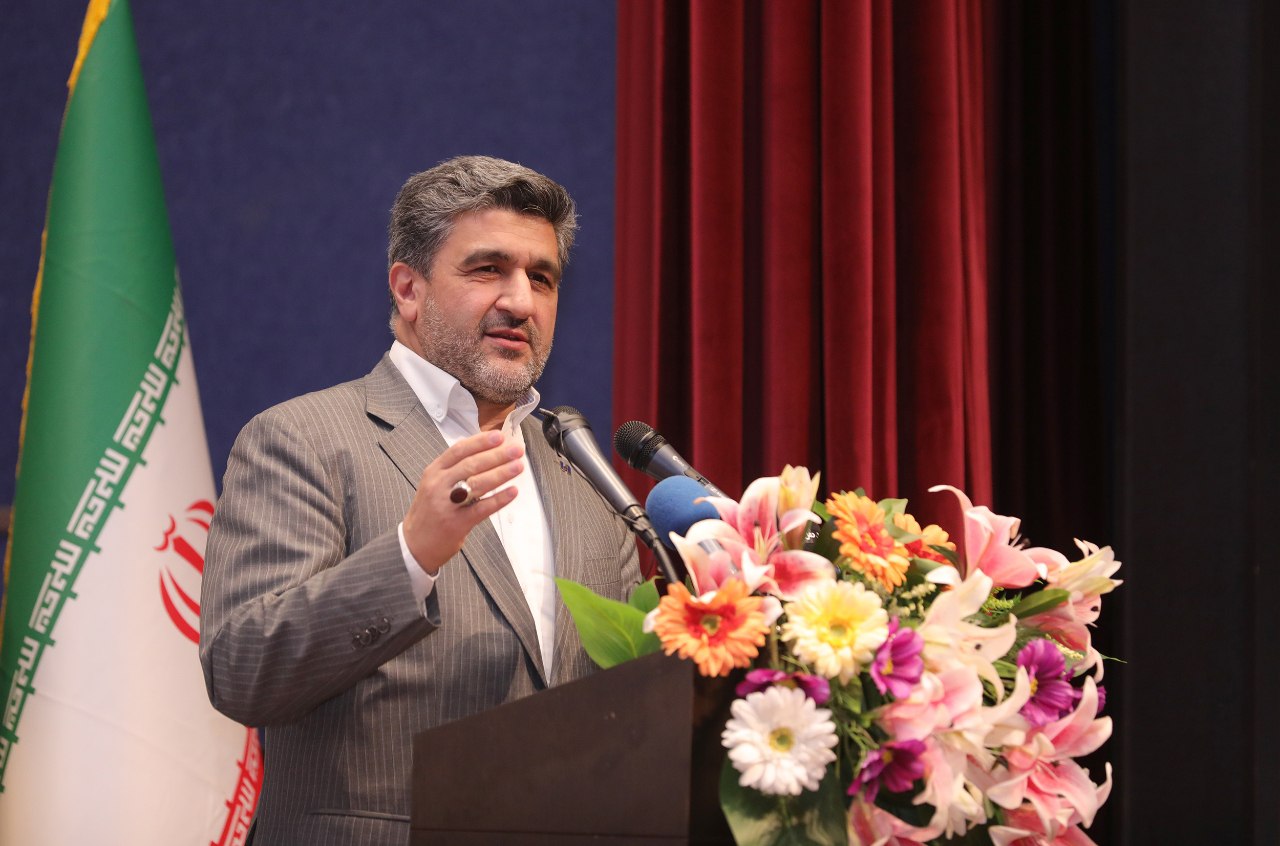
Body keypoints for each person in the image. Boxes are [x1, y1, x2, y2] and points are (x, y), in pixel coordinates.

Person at [199, 155, 641, 845]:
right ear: (408, 288)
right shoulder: (303, 439)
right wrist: (410, 556)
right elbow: (244, 673)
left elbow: (630, 705)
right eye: (488, 269)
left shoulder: (584, 476)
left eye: (542, 278)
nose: (522, 302)